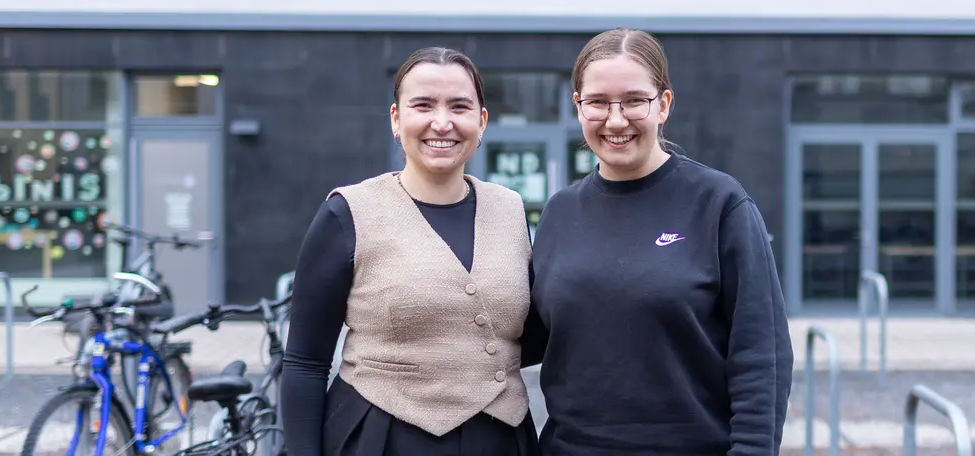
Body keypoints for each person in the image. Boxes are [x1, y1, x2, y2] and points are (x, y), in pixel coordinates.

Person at [524, 28, 794, 455]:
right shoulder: (560, 213)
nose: (616, 120)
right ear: (578, 107)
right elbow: (520, 339)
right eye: (597, 102)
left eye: (634, 100)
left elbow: (761, 356)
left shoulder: (719, 203)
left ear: (663, 105)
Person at [281, 47, 539, 456]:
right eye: (423, 105)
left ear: (482, 121)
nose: (442, 122)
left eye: (459, 106)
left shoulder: (510, 210)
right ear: (396, 120)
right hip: (381, 437)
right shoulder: (348, 212)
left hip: (501, 439)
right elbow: (305, 363)